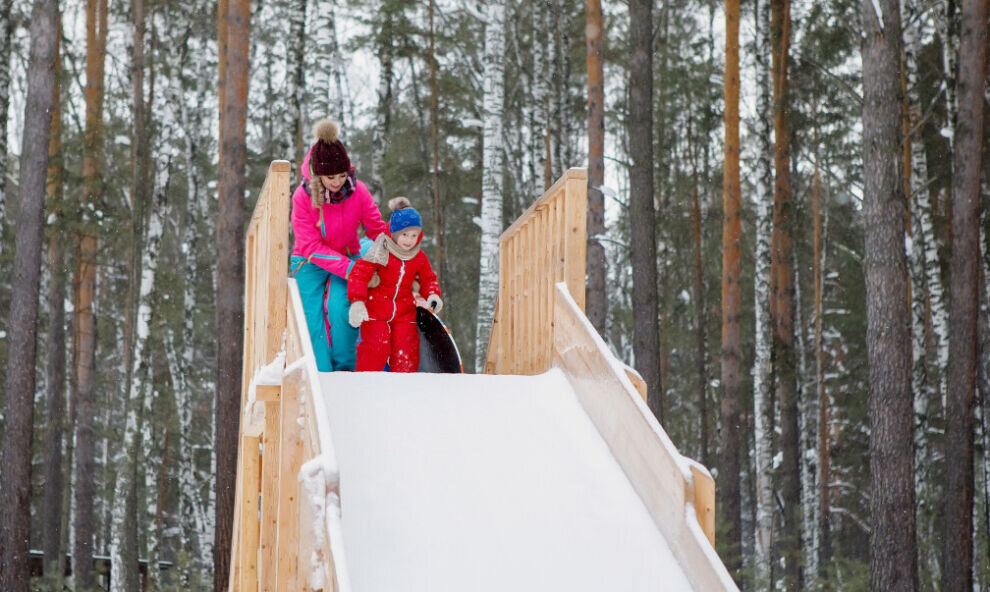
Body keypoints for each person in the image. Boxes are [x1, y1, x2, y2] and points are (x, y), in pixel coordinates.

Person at [290, 118, 386, 371]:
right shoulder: (302, 197)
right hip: (308, 261)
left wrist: (401, 252)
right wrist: (349, 269)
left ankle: (345, 369)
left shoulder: (358, 191)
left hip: (347, 255)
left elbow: (376, 228)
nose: (337, 182)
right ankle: (319, 372)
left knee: (340, 307)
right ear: (317, 174)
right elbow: (309, 245)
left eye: (342, 175)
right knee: (310, 318)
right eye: (330, 176)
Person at [347, 197, 443, 372]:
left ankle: (403, 384)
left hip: (404, 310)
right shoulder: (381, 250)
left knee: (406, 349)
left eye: (414, 235)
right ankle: (366, 381)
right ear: (395, 233)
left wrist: (433, 294)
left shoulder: (418, 257)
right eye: (404, 235)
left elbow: (428, 278)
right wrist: (357, 301)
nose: (409, 240)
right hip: (376, 308)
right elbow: (359, 273)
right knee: (376, 346)